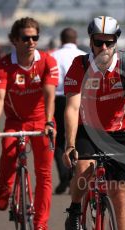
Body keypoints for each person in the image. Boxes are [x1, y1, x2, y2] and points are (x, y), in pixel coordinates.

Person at [62, 16, 125, 230]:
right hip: (88, 130)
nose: (103, 47)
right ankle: (74, 210)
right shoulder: (79, 65)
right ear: (90, 42)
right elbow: (72, 107)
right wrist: (70, 145)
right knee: (83, 170)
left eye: (109, 42)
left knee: (118, 193)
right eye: (98, 42)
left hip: (120, 131)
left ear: (116, 42)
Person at [0, 17, 59, 230]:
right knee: (8, 160)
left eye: (35, 37)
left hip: (41, 122)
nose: (31, 42)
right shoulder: (5, 65)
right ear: (14, 40)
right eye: (25, 38)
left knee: (44, 175)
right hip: (15, 121)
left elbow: (49, 96)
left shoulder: (47, 61)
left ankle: (40, 223)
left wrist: (49, 123)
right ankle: (4, 190)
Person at [51, 27, 86, 194]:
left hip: (58, 99)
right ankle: (75, 175)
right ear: (76, 40)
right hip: (79, 99)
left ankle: (64, 174)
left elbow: (52, 82)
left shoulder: (53, 56)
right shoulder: (83, 57)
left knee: (58, 140)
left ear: (61, 40)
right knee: (77, 137)